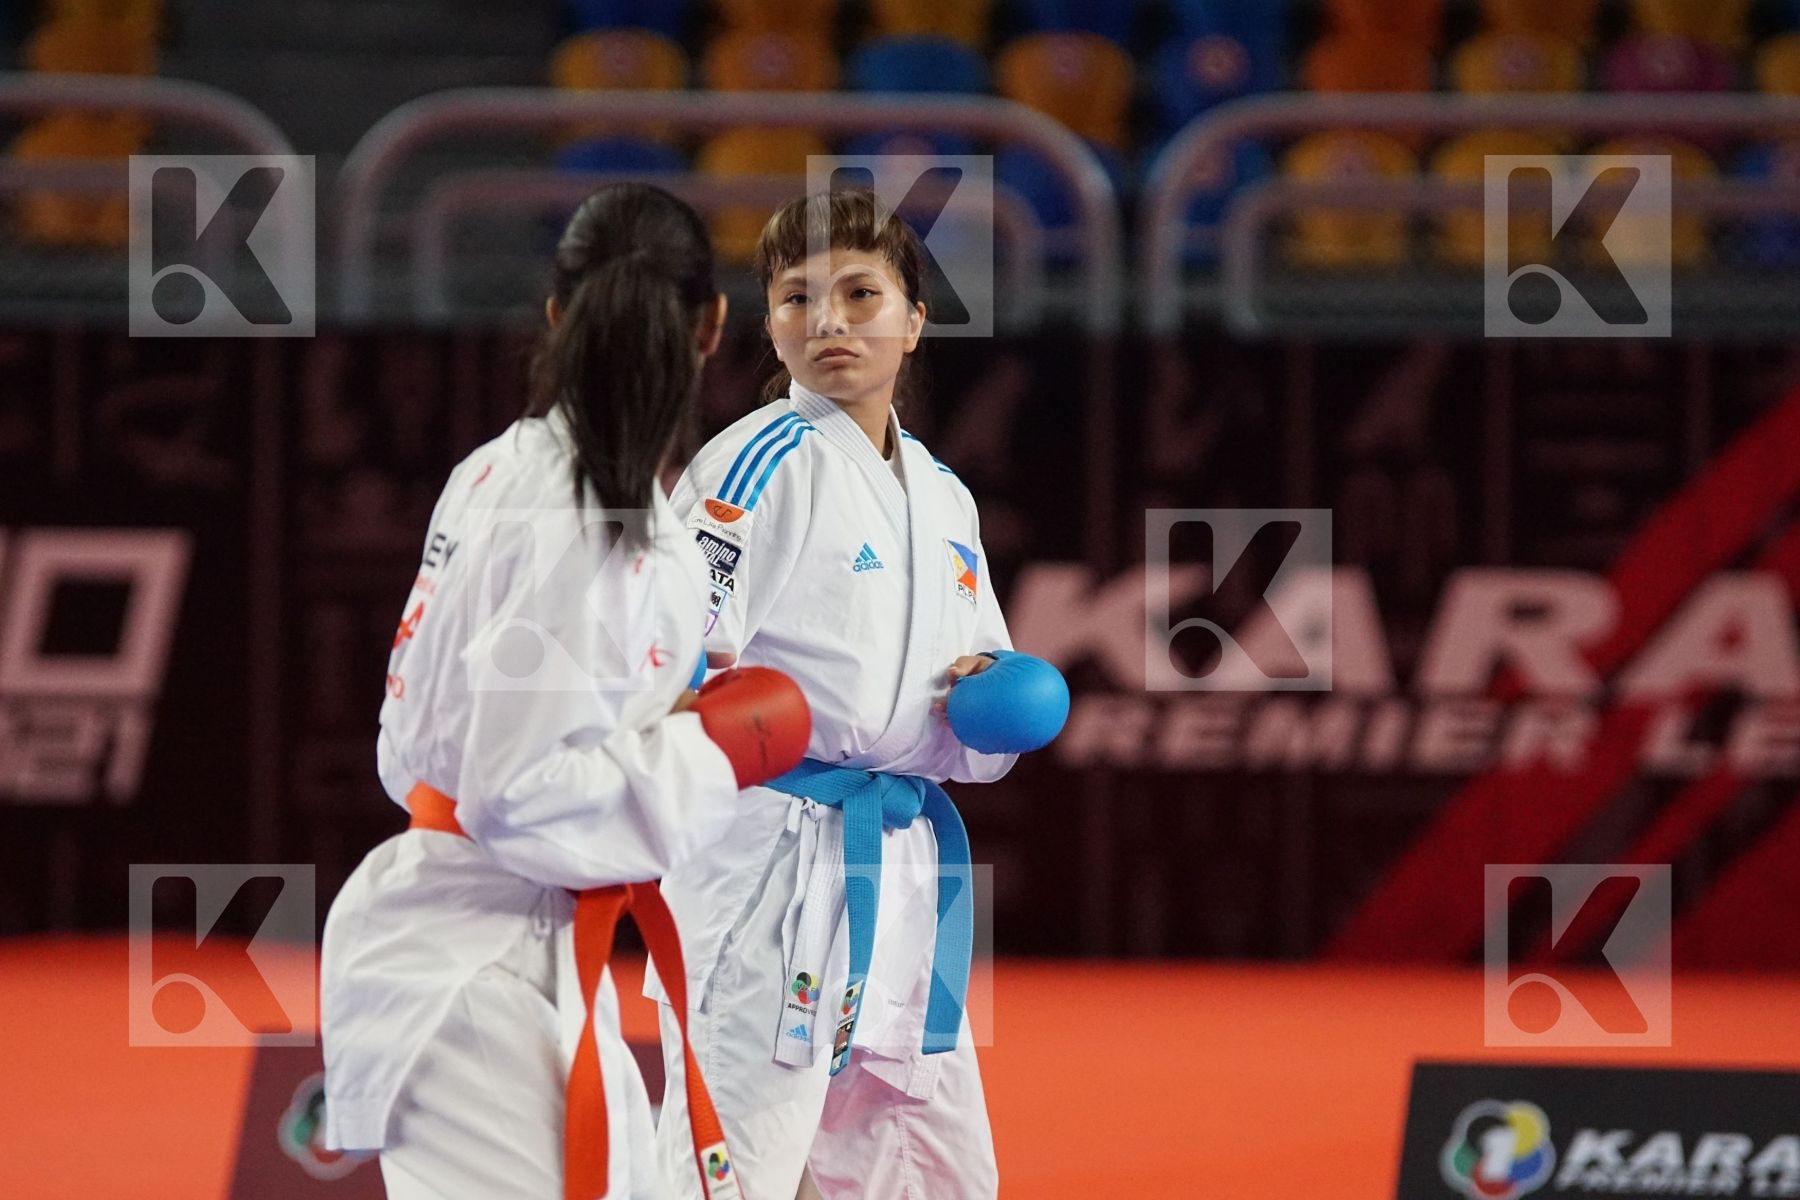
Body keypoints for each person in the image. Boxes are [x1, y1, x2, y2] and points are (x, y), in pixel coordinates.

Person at [320, 182, 808, 1200]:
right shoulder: (594, 519)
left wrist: (658, 726)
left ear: (554, 313)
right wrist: (703, 750)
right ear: (715, 327)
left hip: (494, 940)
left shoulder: (500, 471)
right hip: (468, 970)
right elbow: (511, 789)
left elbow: (412, 753)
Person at [648, 187, 1017, 1199]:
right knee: (729, 1167)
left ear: (914, 320)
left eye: (861, 293)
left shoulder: (942, 493)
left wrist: (987, 706)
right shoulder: (758, 463)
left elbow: (983, 710)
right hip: (770, 860)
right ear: (769, 324)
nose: (829, 320)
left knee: (925, 1170)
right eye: (799, 297)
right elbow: (673, 656)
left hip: (897, 868)